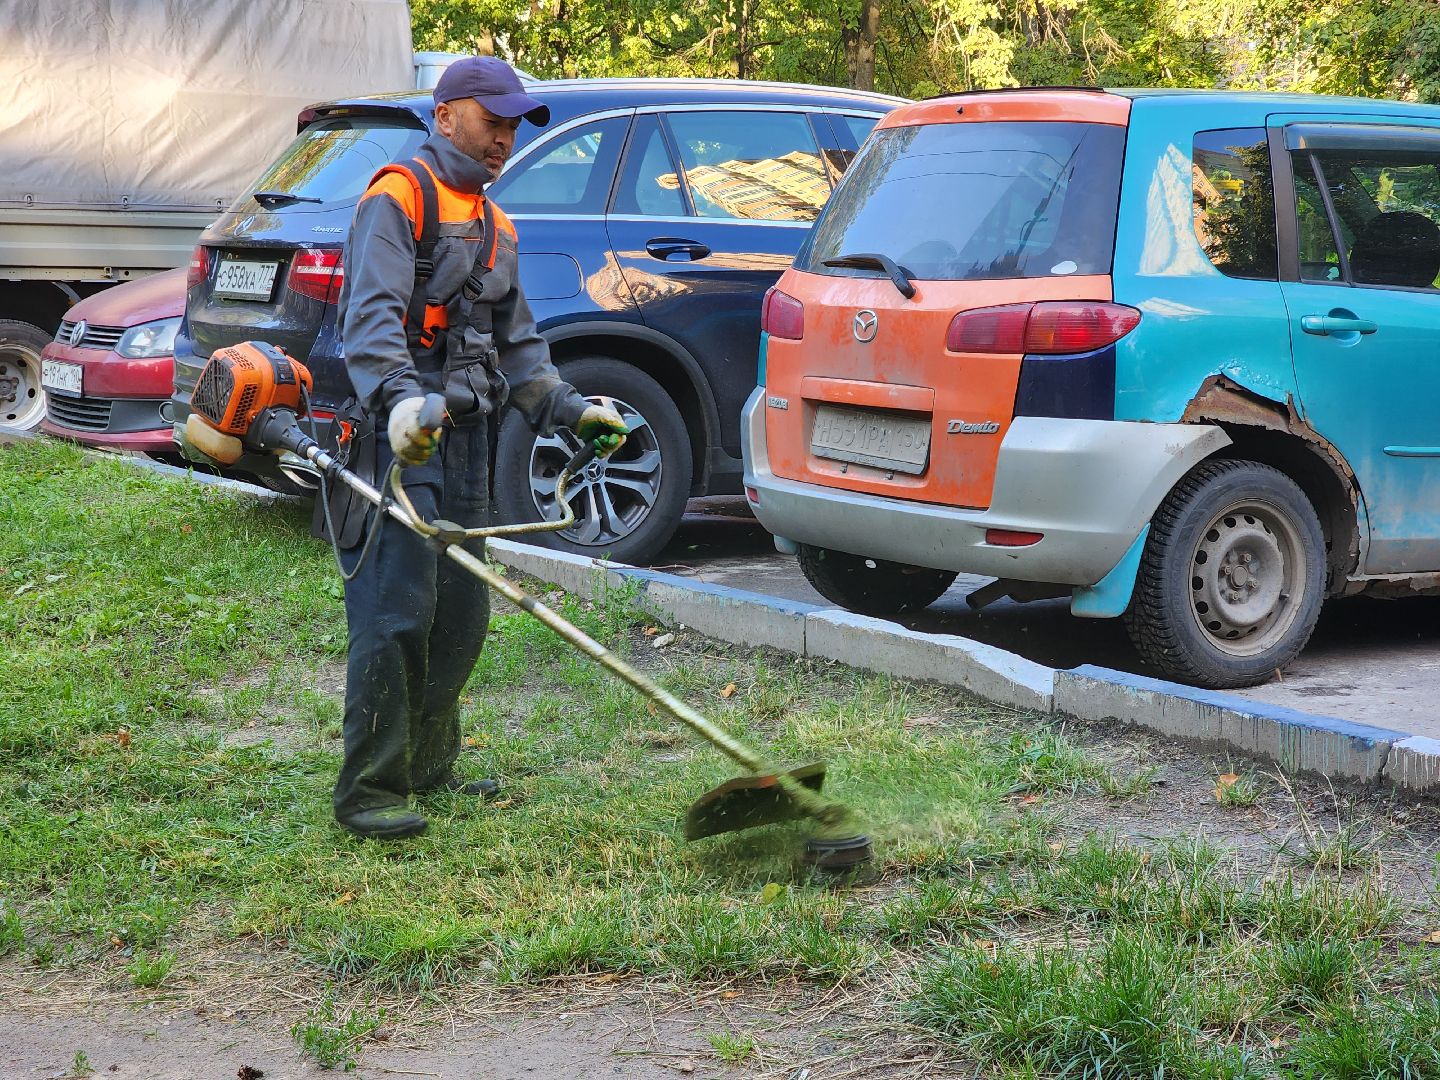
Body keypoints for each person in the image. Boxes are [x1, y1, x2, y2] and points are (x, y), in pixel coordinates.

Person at [330, 56, 628, 840]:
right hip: (403, 435)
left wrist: (569, 408)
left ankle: (428, 770)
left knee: (461, 614)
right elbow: (370, 330)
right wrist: (403, 407)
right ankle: (368, 791)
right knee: (397, 612)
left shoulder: (497, 225)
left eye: (511, 126)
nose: (502, 139)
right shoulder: (397, 199)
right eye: (491, 121)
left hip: (470, 438)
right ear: (447, 114)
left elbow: (519, 350)